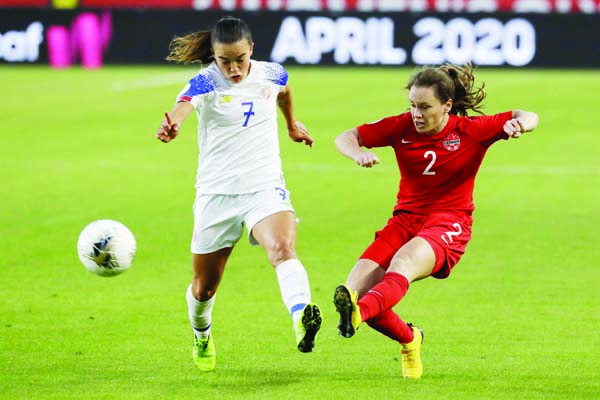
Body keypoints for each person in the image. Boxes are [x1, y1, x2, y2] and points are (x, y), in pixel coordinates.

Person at [332, 63, 539, 379]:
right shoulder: (401, 127)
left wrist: (520, 125)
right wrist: (357, 153)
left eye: (425, 106)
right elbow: (347, 136)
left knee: (401, 265)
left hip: (449, 223)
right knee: (355, 291)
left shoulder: (470, 131)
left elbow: (528, 115)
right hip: (404, 221)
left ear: (447, 105)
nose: (416, 113)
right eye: (413, 105)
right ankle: (410, 339)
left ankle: (357, 315)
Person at [156, 16, 321, 372]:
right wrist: (174, 126)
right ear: (213, 56)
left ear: (251, 51)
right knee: (203, 289)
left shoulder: (272, 74)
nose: (232, 68)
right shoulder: (204, 82)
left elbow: (285, 91)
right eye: (223, 60)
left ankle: (301, 317)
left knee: (282, 248)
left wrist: (292, 125)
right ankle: (202, 335)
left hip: (264, 187)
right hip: (217, 194)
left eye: (239, 59)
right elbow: (184, 106)